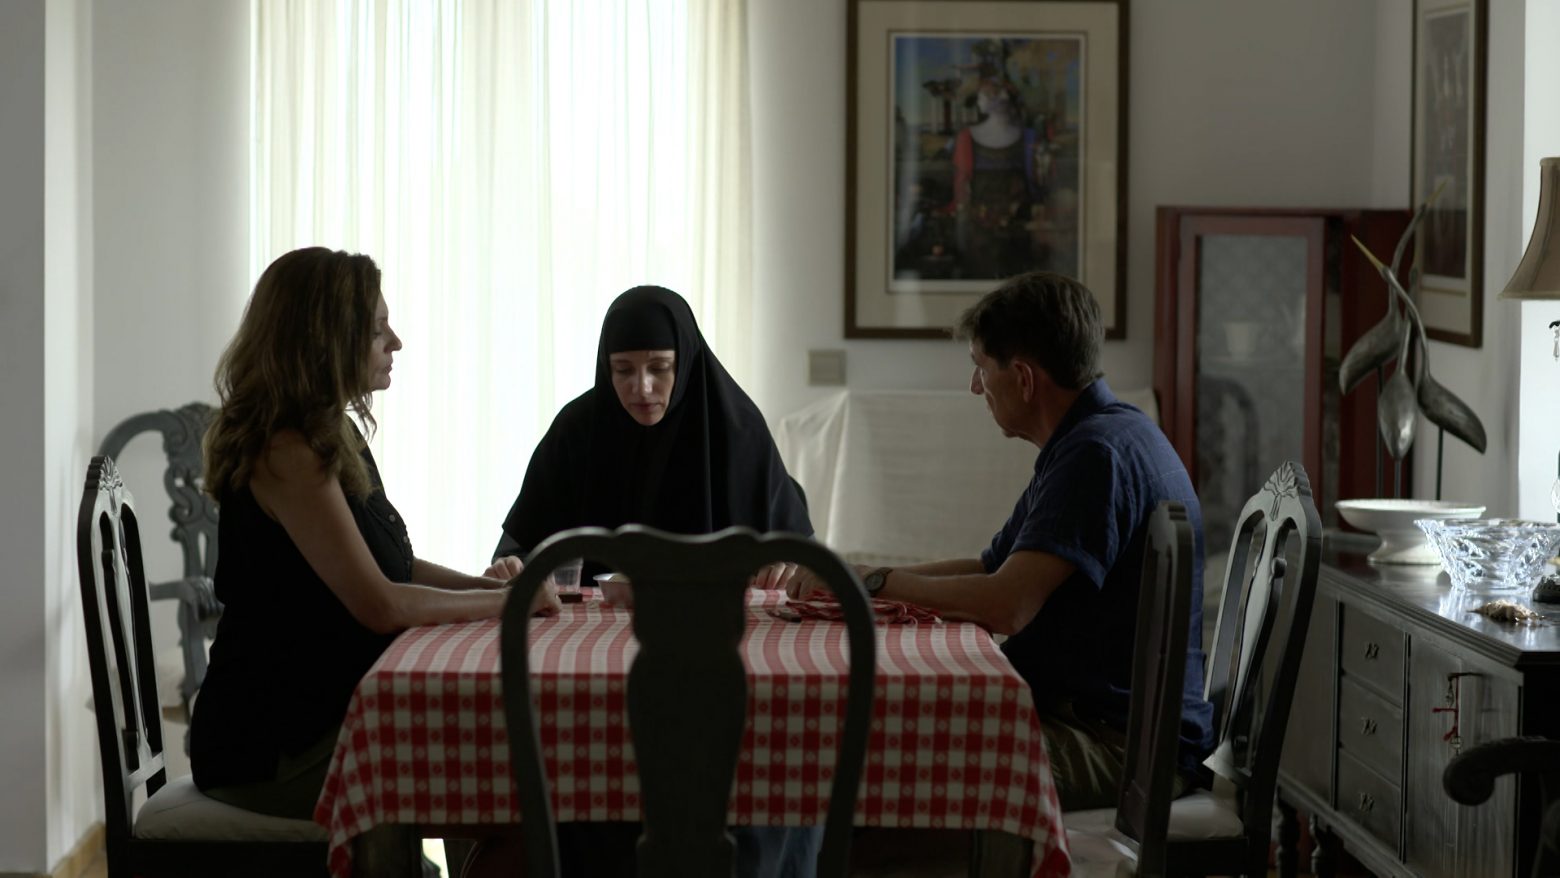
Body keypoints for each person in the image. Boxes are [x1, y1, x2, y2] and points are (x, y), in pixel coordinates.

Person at [789, 271, 1215, 814]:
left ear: (1023, 378)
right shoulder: (1098, 435)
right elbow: (991, 568)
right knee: (891, 729)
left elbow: (1005, 606)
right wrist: (855, 573)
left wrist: (868, 583)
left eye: (980, 367)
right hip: (1108, 726)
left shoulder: (1095, 455)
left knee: (880, 755)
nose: (976, 387)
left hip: (1120, 748)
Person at [190, 248, 560, 850]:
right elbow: (381, 605)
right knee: (493, 763)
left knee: (491, 755)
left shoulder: (327, 432)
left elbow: (396, 568)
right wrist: (508, 605)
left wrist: (495, 588)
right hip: (269, 748)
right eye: (378, 330)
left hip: (314, 719)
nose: (396, 343)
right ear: (326, 340)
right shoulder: (287, 452)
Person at [489, 284, 818, 877]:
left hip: (730, 665)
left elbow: (800, 557)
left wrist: (789, 568)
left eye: (659, 368)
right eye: (623, 371)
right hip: (585, 670)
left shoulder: (736, 430)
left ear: (684, 361)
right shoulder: (579, 430)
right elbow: (518, 550)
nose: (641, 387)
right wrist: (514, 571)